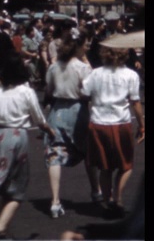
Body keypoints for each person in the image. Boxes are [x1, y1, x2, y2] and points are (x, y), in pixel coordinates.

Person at [0, 55, 56, 239]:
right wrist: (50, 131)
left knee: (4, 180)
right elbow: (39, 119)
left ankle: (3, 226)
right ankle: (0, 226)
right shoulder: (25, 92)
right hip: (16, 136)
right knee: (18, 185)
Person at [81, 46, 145, 219]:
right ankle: (118, 196)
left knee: (105, 166)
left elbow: (84, 93)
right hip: (120, 122)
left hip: (99, 122)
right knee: (126, 165)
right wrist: (142, 125)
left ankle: (108, 197)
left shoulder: (95, 74)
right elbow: (136, 103)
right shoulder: (131, 75)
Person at [44, 32, 101, 219]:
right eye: (86, 44)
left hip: (58, 110)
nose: (88, 47)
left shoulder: (54, 67)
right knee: (88, 152)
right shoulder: (82, 68)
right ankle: (96, 191)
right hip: (79, 110)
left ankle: (54, 201)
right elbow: (89, 90)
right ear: (78, 46)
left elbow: (49, 90)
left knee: (54, 153)